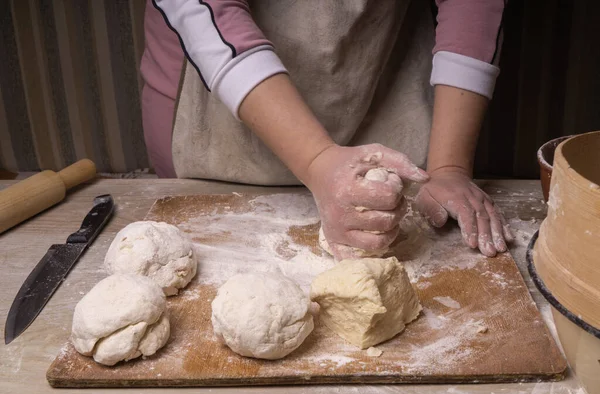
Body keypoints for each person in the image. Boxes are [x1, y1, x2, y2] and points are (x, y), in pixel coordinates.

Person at [140, 0, 513, 260]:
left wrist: (449, 167)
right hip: (221, 121)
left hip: (382, 82)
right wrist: (317, 158)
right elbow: (205, 10)